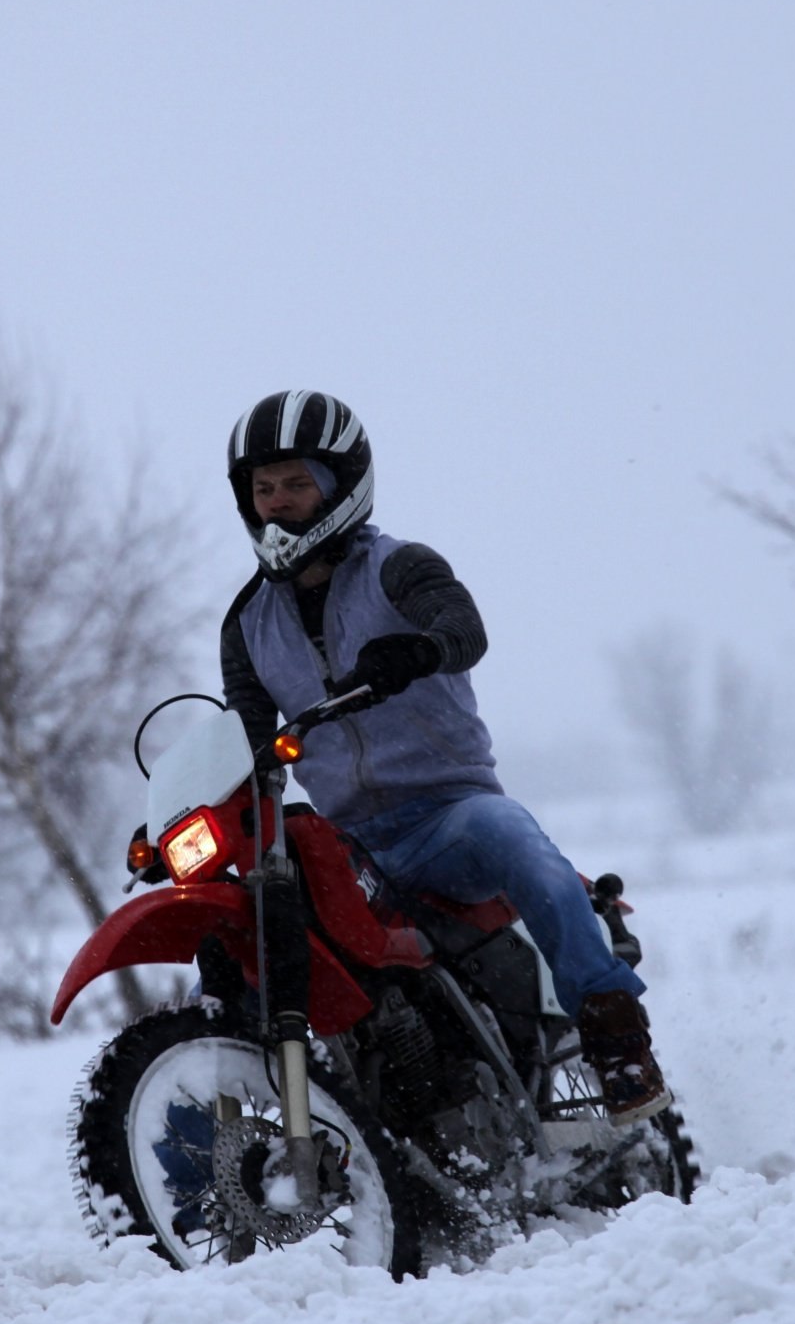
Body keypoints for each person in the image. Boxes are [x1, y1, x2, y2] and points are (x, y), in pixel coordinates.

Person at [217, 389, 671, 1123]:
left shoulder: (400, 568)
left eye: (297, 484)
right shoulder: (247, 624)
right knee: (251, 919)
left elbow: (465, 629)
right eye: (262, 489)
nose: (278, 505)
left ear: (339, 485)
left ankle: (616, 1033)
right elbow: (245, 730)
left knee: (514, 838)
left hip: (447, 816)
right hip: (351, 843)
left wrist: (419, 648)